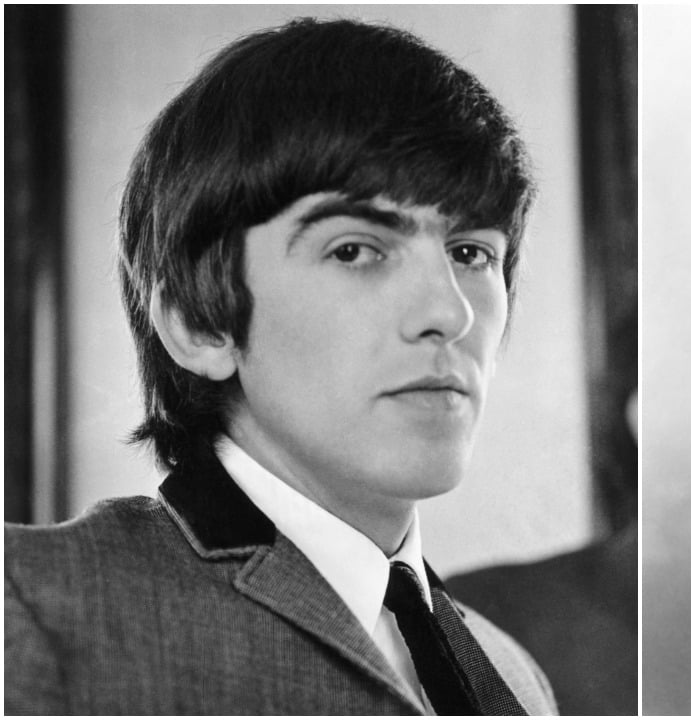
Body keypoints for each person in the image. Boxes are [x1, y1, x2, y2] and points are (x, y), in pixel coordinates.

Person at [5, 18, 557, 715]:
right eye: (355, 250)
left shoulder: (518, 679)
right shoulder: (31, 605)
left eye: (471, 253)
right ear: (198, 322)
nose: (450, 312)